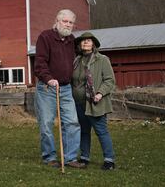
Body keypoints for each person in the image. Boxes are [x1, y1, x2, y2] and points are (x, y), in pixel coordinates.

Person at [34, 9, 85, 169]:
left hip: (66, 88)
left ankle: (70, 158)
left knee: (72, 123)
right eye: (65, 21)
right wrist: (49, 79)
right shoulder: (45, 37)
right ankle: (49, 157)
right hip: (47, 88)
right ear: (57, 21)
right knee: (47, 123)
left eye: (71, 22)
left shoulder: (71, 40)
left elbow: (82, 53)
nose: (68, 25)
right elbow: (40, 63)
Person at [72, 32, 116, 170]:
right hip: (78, 103)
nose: (85, 42)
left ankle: (109, 160)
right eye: (83, 41)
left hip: (95, 102)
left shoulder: (102, 59)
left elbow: (110, 80)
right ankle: (84, 158)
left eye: (88, 40)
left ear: (93, 44)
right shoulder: (76, 60)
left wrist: (100, 93)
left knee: (101, 131)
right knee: (84, 131)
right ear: (80, 44)